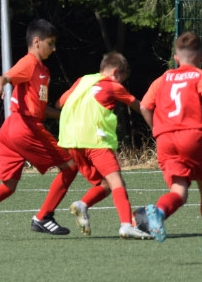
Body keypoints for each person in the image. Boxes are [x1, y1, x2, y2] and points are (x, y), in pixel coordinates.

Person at [0, 19, 78, 241]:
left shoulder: (43, 71)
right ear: (37, 42)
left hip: (10, 130)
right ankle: (44, 216)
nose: (54, 49)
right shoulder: (29, 63)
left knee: (8, 186)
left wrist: (66, 115)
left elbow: (41, 109)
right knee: (70, 167)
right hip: (24, 128)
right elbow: (4, 78)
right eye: (50, 43)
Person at [141, 31, 202, 258]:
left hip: (165, 139)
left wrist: (156, 129)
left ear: (176, 58)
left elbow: (144, 106)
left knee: (179, 192)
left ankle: (159, 212)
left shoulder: (163, 78)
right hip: (190, 137)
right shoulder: (200, 76)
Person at [57, 51, 152, 240]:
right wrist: (158, 125)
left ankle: (82, 205)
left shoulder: (83, 81)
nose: (121, 83)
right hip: (96, 142)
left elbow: (60, 103)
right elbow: (139, 106)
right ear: (115, 72)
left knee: (105, 184)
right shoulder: (112, 85)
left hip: (73, 143)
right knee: (117, 182)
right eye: (121, 79)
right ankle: (126, 225)